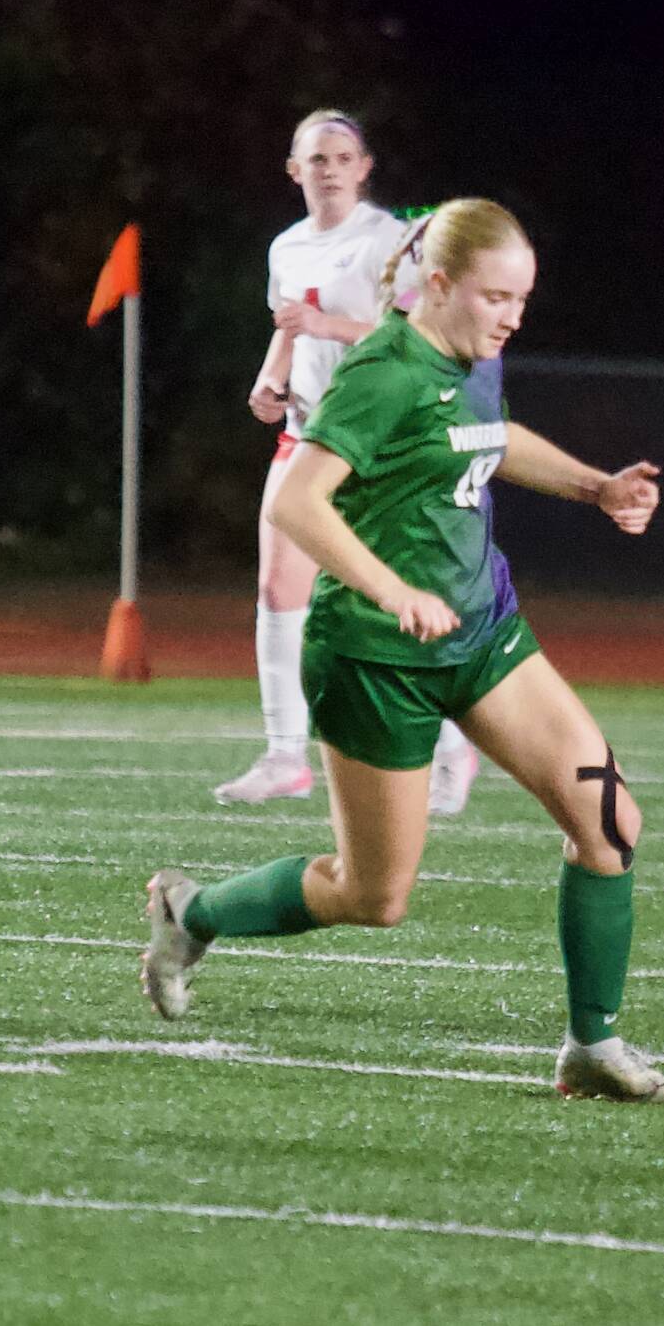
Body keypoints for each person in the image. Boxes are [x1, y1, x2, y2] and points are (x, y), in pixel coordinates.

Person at [142, 198, 664, 1105]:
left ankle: (592, 1046)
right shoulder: (385, 371)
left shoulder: (474, 356)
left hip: (484, 634)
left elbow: (490, 437)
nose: (512, 316)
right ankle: (191, 911)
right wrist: (391, 588)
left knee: (608, 826)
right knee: (374, 895)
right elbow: (297, 503)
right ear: (437, 285)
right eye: (496, 297)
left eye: (522, 297)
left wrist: (594, 488)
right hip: (374, 656)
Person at [215, 108, 481, 817]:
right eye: (316, 158)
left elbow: (420, 336)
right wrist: (270, 378)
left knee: (390, 595)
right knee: (279, 587)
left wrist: (329, 327)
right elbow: (289, 322)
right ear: (294, 170)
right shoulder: (288, 247)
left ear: (364, 168)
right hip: (307, 432)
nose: (329, 168)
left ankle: (454, 746)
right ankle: (281, 756)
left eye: (342, 156)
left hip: (378, 436)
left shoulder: (391, 242)